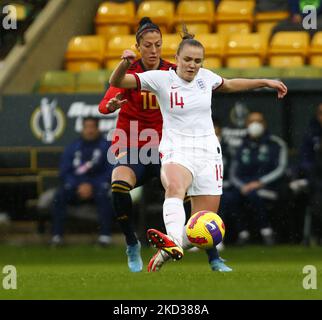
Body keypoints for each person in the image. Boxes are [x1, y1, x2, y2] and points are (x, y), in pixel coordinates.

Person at [109, 27, 287, 271]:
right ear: (177, 58)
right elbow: (117, 81)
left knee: (201, 224)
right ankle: (171, 238)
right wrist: (124, 64)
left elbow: (231, 84)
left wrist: (264, 82)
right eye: (187, 60)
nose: (192, 65)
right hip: (176, 150)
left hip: (208, 154)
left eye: (197, 61)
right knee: (175, 187)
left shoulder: (206, 77)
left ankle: (168, 250)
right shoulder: (161, 78)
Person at [99, 17, 228, 273]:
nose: (153, 50)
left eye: (158, 44)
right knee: (119, 185)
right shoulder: (131, 72)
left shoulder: (174, 71)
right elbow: (105, 103)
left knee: (195, 194)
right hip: (134, 143)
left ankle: (214, 258)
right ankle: (131, 243)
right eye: (147, 45)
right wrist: (111, 106)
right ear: (138, 46)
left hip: (169, 146)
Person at [223, 112, 288, 246]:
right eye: (252, 122)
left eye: (258, 121)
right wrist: (242, 186)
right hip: (244, 186)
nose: (255, 125)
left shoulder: (275, 143)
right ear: (246, 125)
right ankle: (242, 232)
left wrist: (260, 182)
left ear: (264, 124)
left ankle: (266, 231)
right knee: (228, 197)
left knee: (254, 194)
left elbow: (281, 168)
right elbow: (233, 172)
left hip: (268, 187)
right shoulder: (241, 145)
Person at [51, 117, 114, 247]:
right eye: (87, 127)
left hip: (98, 187)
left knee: (106, 195)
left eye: (92, 127)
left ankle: (105, 236)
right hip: (76, 187)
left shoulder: (106, 147)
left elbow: (111, 170)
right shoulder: (73, 147)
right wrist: (79, 184)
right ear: (82, 129)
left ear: (98, 129)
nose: (89, 131)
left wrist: (91, 185)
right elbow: (64, 171)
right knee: (59, 196)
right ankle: (57, 236)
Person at [297, 103, 322, 243]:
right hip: (317, 178)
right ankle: (315, 235)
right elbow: (304, 160)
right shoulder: (311, 134)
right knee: (317, 200)